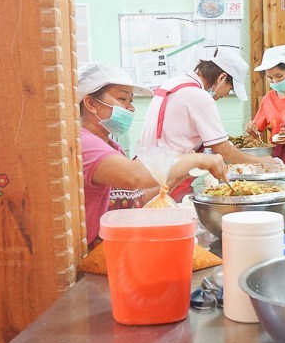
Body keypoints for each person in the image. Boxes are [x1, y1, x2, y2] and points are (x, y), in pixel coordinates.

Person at [78, 62, 226, 245]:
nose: (131, 108)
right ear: (90, 103)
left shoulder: (111, 146)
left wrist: (183, 173)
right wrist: (198, 158)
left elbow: (134, 200)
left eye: (131, 101)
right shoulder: (83, 143)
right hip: (91, 252)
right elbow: (136, 176)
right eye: (123, 99)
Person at [137, 46, 275, 200]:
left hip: (145, 169)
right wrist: (260, 162)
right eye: (230, 89)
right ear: (222, 77)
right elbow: (223, 150)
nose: (225, 95)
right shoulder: (199, 96)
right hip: (168, 175)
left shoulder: (174, 83)